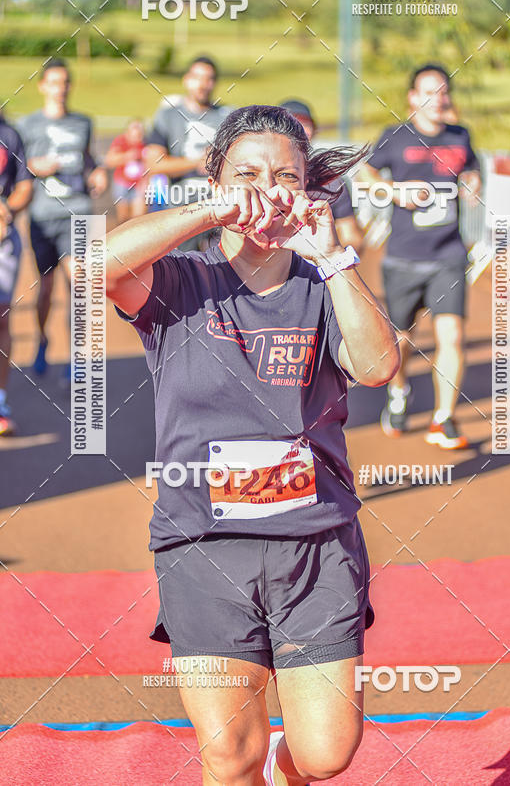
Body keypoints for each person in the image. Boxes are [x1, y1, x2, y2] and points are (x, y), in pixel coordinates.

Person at [106, 105, 399, 785]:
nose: (264, 190)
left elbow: (379, 365)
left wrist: (331, 254)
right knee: (229, 757)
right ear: (215, 178)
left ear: (306, 190)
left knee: (326, 752)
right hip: (205, 545)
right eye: (245, 174)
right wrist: (210, 211)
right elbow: (95, 264)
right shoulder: (177, 280)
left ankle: (283, 768)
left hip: (317, 544)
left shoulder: (324, 280)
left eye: (284, 177)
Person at [363, 64, 481, 449]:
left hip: (448, 255)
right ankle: (398, 393)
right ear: (413, 98)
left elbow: (473, 168)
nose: (438, 99)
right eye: (429, 92)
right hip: (403, 257)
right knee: (400, 339)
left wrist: (474, 180)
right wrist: (394, 191)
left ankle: (443, 418)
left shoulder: (460, 136)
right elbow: (363, 173)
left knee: (452, 335)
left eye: (443, 92)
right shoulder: (395, 137)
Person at [17, 58, 107, 380]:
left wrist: (98, 175)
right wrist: (33, 166)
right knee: (47, 287)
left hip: (79, 212)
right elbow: (16, 167)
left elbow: (90, 161)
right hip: (43, 216)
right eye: (54, 82)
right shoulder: (26, 126)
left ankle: (76, 357)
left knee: (79, 282)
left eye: (65, 82)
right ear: (42, 86)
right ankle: (43, 339)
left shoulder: (83, 122)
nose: (60, 89)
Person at [144, 56, 232, 250]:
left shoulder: (227, 117)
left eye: (208, 78)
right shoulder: (167, 116)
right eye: (197, 77)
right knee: (181, 274)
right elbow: (153, 165)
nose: (202, 84)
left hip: (220, 207)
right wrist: (197, 162)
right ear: (186, 79)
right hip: (181, 206)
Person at [279, 100, 363, 252]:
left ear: (314, 130)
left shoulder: (332, 182)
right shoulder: (259, 179)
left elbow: (352, 237)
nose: (299, 131)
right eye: (291, 123)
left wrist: (332, 256)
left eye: (305, 124)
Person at [0, 118, 33, 435]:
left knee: (1, 319)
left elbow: (25, 186)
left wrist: (6, 210)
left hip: (3, 242)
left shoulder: (9, 134)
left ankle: (0, 403)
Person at [105, 118, 147, 223]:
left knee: (138, 218)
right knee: (123, 218)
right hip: (122, 183)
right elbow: (110, 160)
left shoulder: (145, 144)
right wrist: (127, 156)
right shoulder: (120, 142)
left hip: (138, 184)